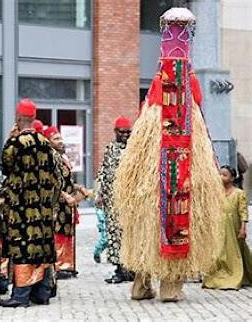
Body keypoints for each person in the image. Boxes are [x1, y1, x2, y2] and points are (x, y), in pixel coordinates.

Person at [113, 8, 224, 302]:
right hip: (184, 149)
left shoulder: (155, 90)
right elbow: (196, 102)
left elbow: (148, 107)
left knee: (146, 216)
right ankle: (170, 286)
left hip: (153, 156)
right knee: (179, 209)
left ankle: (141, 282)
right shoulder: (188, 86)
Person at [0, 99, 60, 308]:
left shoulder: (15, 144)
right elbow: (54, 174)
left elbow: (5, 167)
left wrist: (9, 139)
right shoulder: (45, 143)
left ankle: (21, 295)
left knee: (23, 247)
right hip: (43, 208)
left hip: (22, 210)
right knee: (41, 247)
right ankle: (41, 292)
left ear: (18, 117)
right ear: (33, 118)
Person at [43, 125, 85, 279]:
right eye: (56, 139)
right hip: (56, 204)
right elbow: (51, 183)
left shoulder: (63, 157)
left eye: (60, 138)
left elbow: (67, 181)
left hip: (66, 205)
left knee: (67, 234)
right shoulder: (49, 158)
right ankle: (59, 266)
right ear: (48, 141)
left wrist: (79, 188)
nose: (60, 141)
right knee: (58, 234)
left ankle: (68, 265)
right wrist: (64, 195)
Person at [95, 116, 133, 284]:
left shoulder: (134, 148)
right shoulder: (110, 148)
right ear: (115, 132)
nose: (125, 135)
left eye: (128, 132)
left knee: (128, 235)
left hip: (129, 201)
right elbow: (104, 171)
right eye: (122, 132)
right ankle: (119, 268)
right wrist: (100, 194)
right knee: (114, 235)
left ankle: (130, 268)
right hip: (111, 200)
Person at [203, 166, 252, 290]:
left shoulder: (239, 193)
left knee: (235, 251)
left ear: (232, 178)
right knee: (219, 251)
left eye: (225, 175)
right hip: (220, 226)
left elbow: (243, 211)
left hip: (233, 227)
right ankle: (219, 274)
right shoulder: (217, 193)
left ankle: (236, 274)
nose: (221, 177)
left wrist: (243, 228)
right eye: (220, 174)